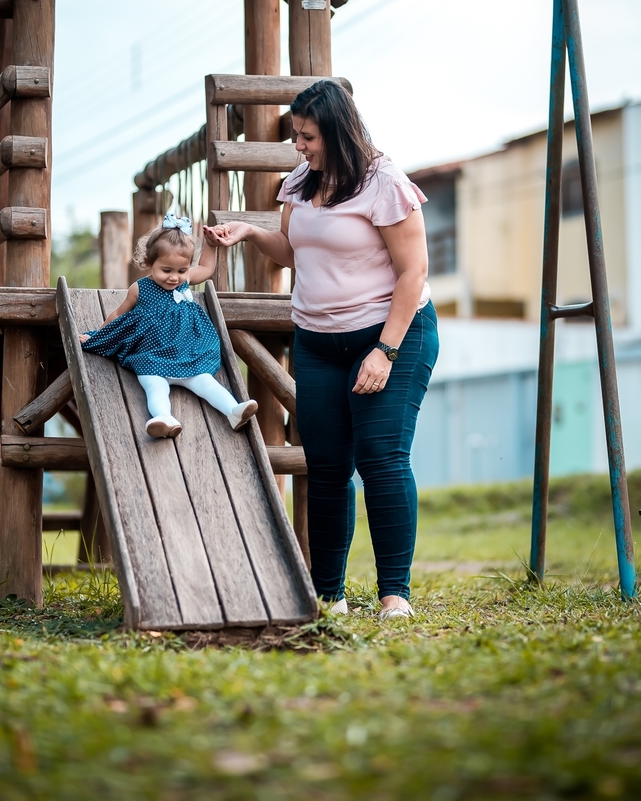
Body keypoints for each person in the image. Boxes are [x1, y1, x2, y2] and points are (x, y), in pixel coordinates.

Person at [205, 80, 438, 620]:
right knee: (327, 465)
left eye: (307, 136)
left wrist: (384, 352)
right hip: (317, 342)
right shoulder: (299, 183)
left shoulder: (385, 183)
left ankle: (394, 594)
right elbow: (295, 251)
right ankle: (328, 596)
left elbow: (413, 273)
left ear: (335, 131)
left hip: (390, 335)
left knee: (381, 460)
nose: (299, 146)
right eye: (295, 136)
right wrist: (249, 233)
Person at [79, 213, 258, 439]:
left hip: (188, 354)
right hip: (152, 356)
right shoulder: (140, 288)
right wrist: (97, 336)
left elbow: (206, 268)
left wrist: (211, 245)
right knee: (155, 386)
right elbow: (119, 314)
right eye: (167, 270)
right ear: (149, 263)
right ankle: (164, 418)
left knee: (205, 382)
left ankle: (233, 411)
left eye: (181, 271)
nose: (174, 277)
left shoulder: (185, 280)